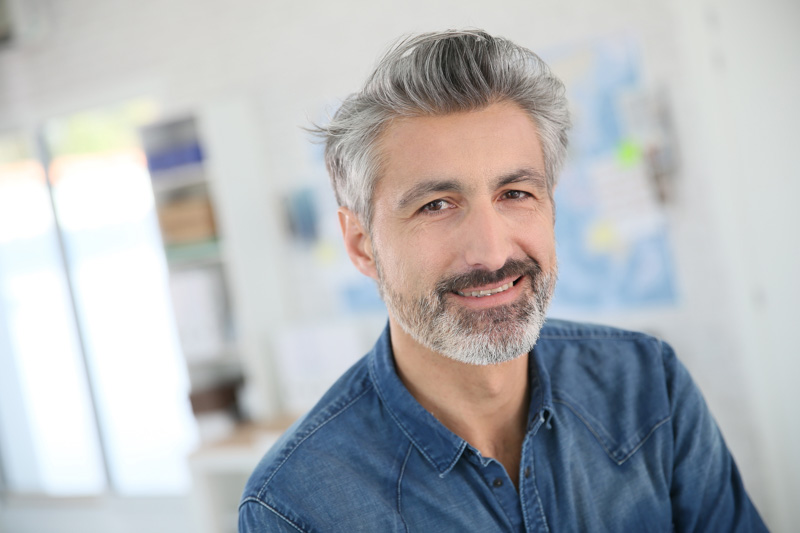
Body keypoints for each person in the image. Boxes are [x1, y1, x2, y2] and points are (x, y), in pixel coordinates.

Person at [239, 29, 767, 532]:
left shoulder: (648, 384)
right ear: (361, 245)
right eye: (436, 204)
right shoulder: (293, 507)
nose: (492, 252)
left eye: (515, 193)